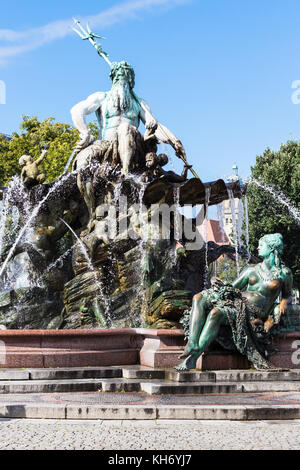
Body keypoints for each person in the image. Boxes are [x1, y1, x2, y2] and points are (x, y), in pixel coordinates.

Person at [176, 233, 293, 370]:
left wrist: (284, 303)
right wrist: (220, 283)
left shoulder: (284, 273)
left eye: (261, 245)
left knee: (216, 313)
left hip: (253, 311)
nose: (258, 248)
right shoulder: (251, 269)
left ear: (272, 248)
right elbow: (232, 287)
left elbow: (287, 295)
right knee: (198, 298)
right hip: (238, 300)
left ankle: (193, 357)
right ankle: (192, 343)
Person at [71, 61, 186, 175]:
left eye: (125, 77)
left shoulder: (140, 104)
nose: (120, 80)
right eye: (117, 77)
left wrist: (175, 142)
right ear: (113, 79)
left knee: (125, 128)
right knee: (83, 160)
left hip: (134, 148)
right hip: (105, 144)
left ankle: (126, 174)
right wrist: (85, 133)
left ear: (131, 81)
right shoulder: (102, 97)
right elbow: (77, 110)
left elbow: (157, 128)